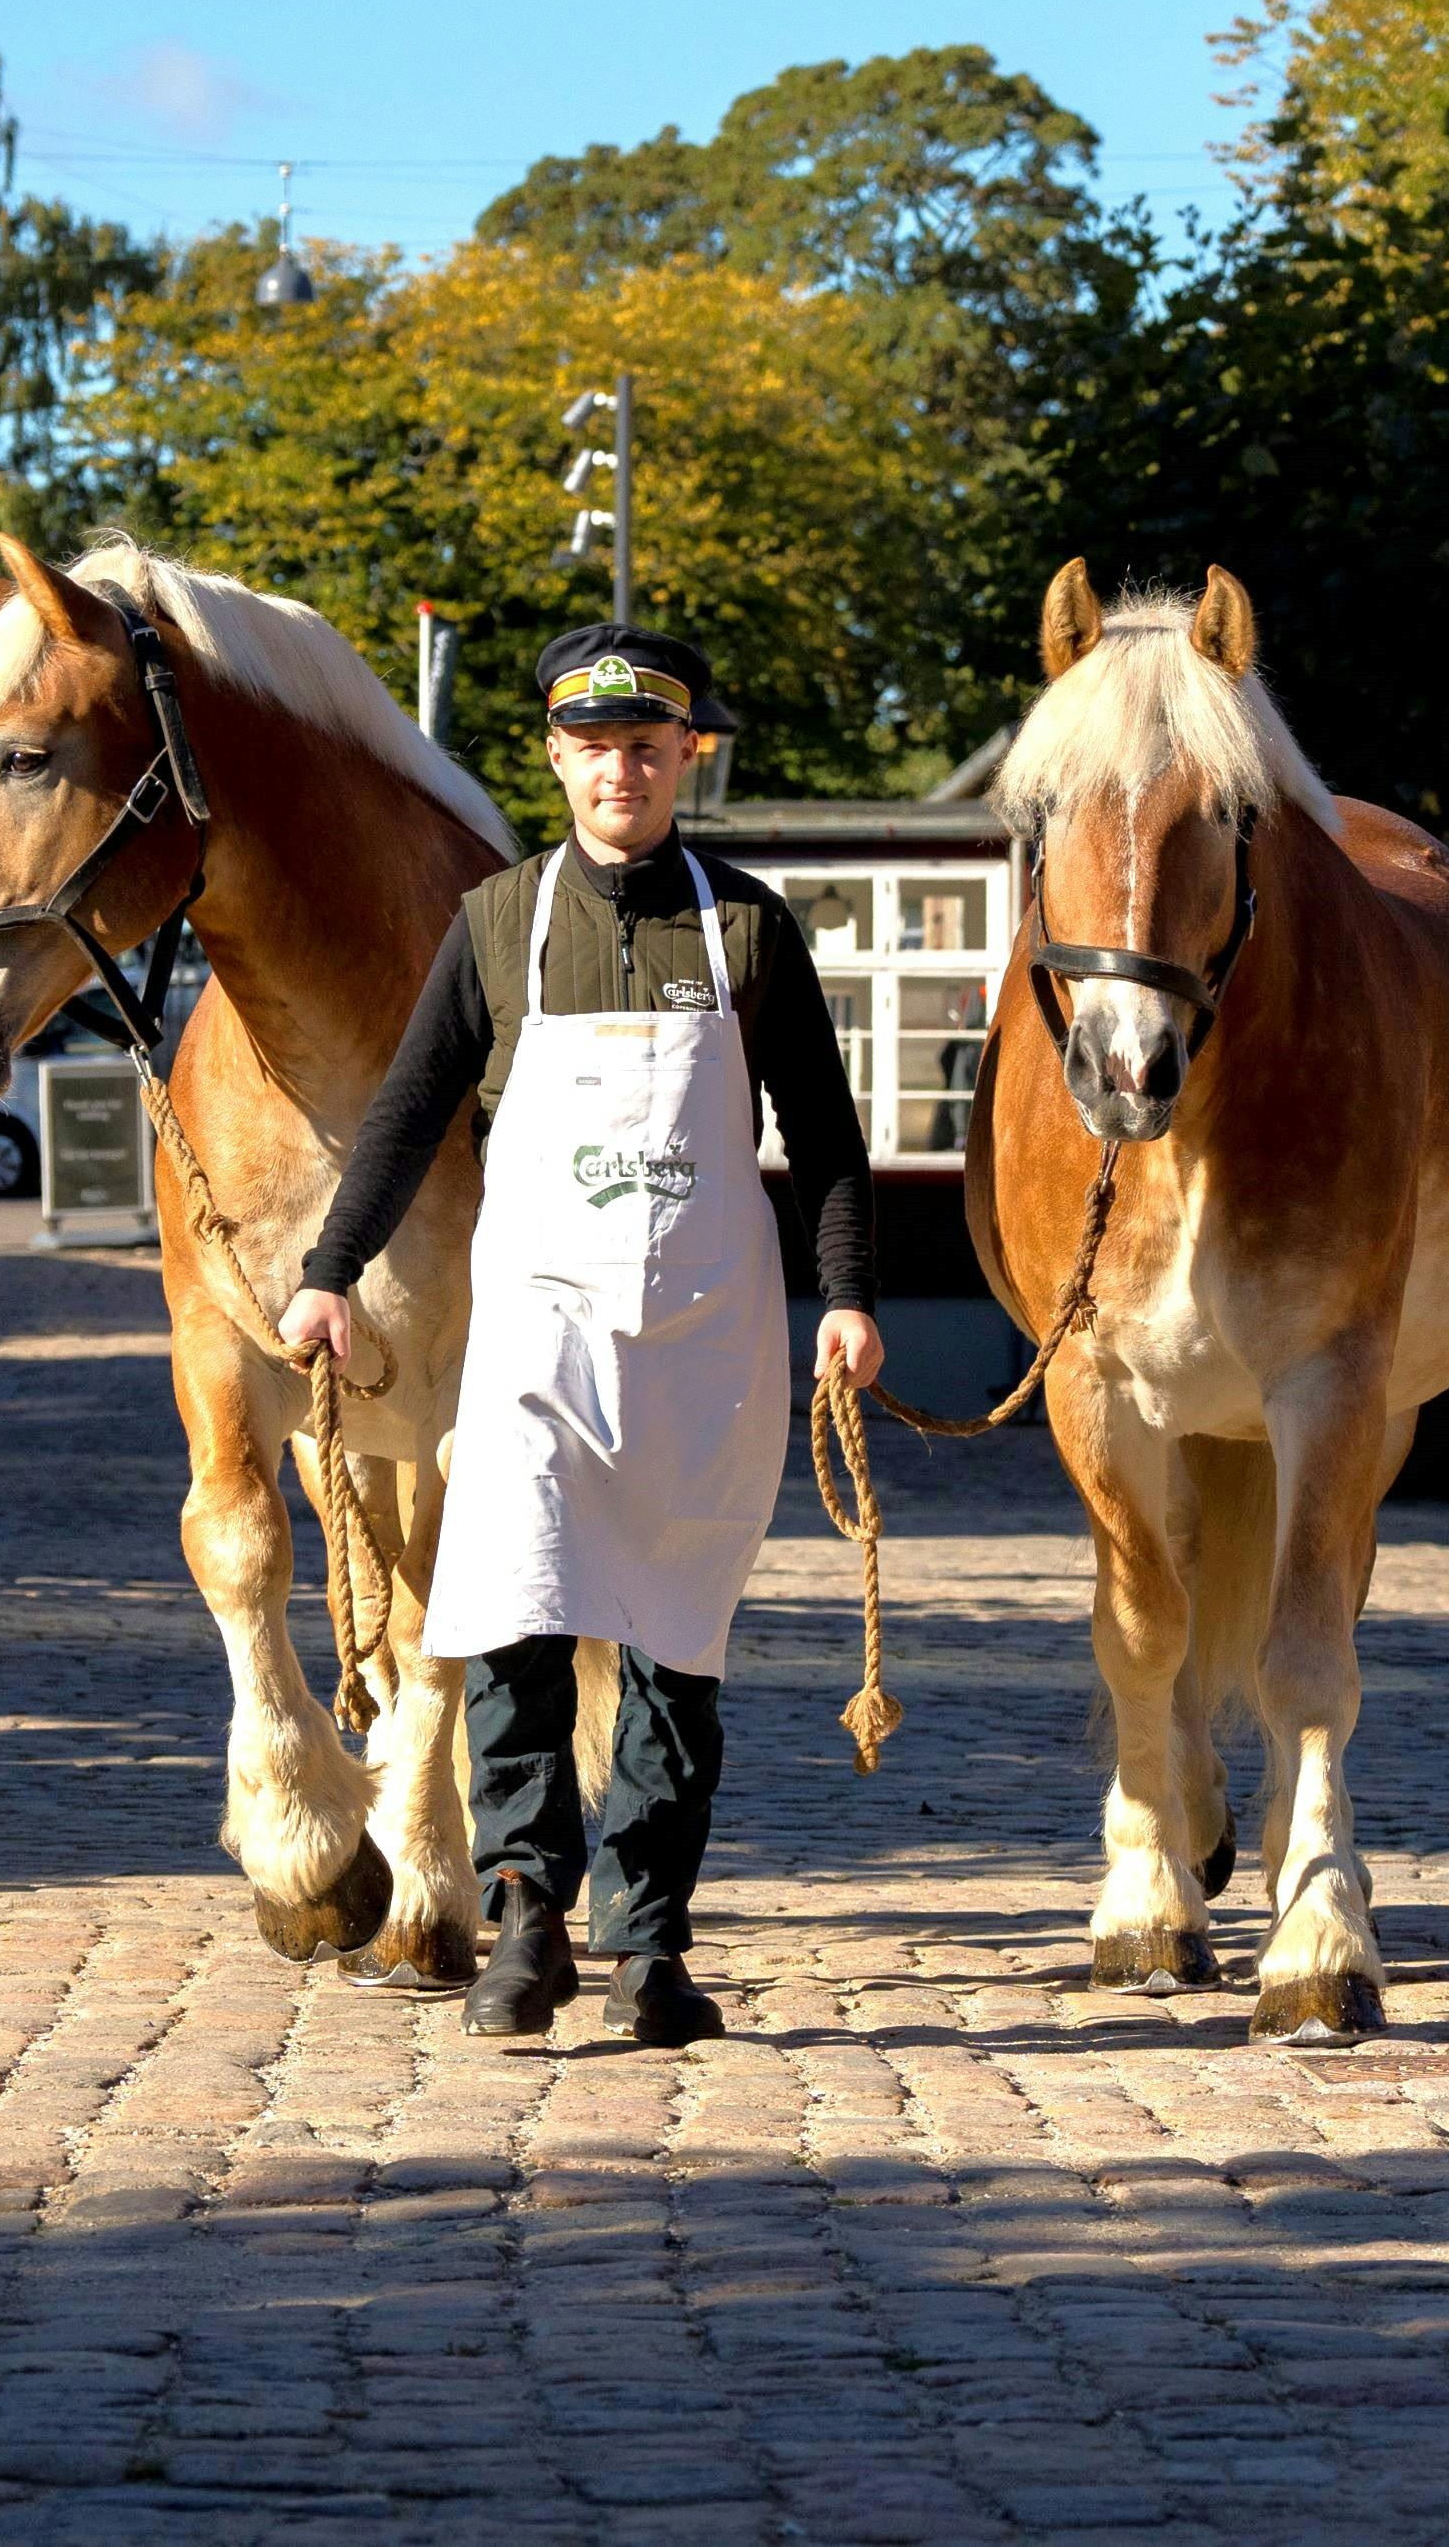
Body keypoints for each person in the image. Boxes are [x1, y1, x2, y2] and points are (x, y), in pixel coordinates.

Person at [280, 624, 880, 2050]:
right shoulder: (499, 923)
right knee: (514, 1619)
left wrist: (846, 1292)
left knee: (676, 1644)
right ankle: (528, 1918)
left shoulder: (747, 927)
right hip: (538, 1339)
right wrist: (328, 1269)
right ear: (556, 758)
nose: (622, 767)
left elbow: (827, 1135)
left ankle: (651, 1942)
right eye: (594, 745)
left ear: (686, 758)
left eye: (648, 745)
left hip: (704, 1346)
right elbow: (409, 1112)